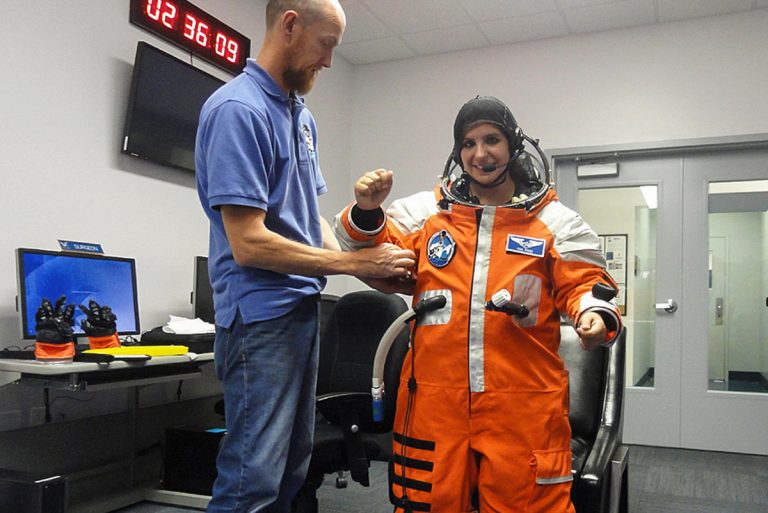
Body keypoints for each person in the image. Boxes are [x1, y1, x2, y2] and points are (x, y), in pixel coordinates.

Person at [333, 96, 623, 513]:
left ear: (513, 145)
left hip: (522, 404)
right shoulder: (426, 214)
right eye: (468, 143)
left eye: (492, 139)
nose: (480, 153)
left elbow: (587, 283)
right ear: (458, 152)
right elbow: (367, 245)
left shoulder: (556, 222)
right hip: (434, 400)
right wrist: (366, 209)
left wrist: (592, 314)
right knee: (424, 505)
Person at [195, 1, 415, 512]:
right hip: (259, 320)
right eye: (327, 45)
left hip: (300, 313)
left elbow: (309, 220)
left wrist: (370, 270)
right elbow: (248, 243)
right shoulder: (238, 111)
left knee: (294, 469)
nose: (330, 62)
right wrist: (356, 266)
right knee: (253, 478)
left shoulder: (299, 114)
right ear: (290, 25)